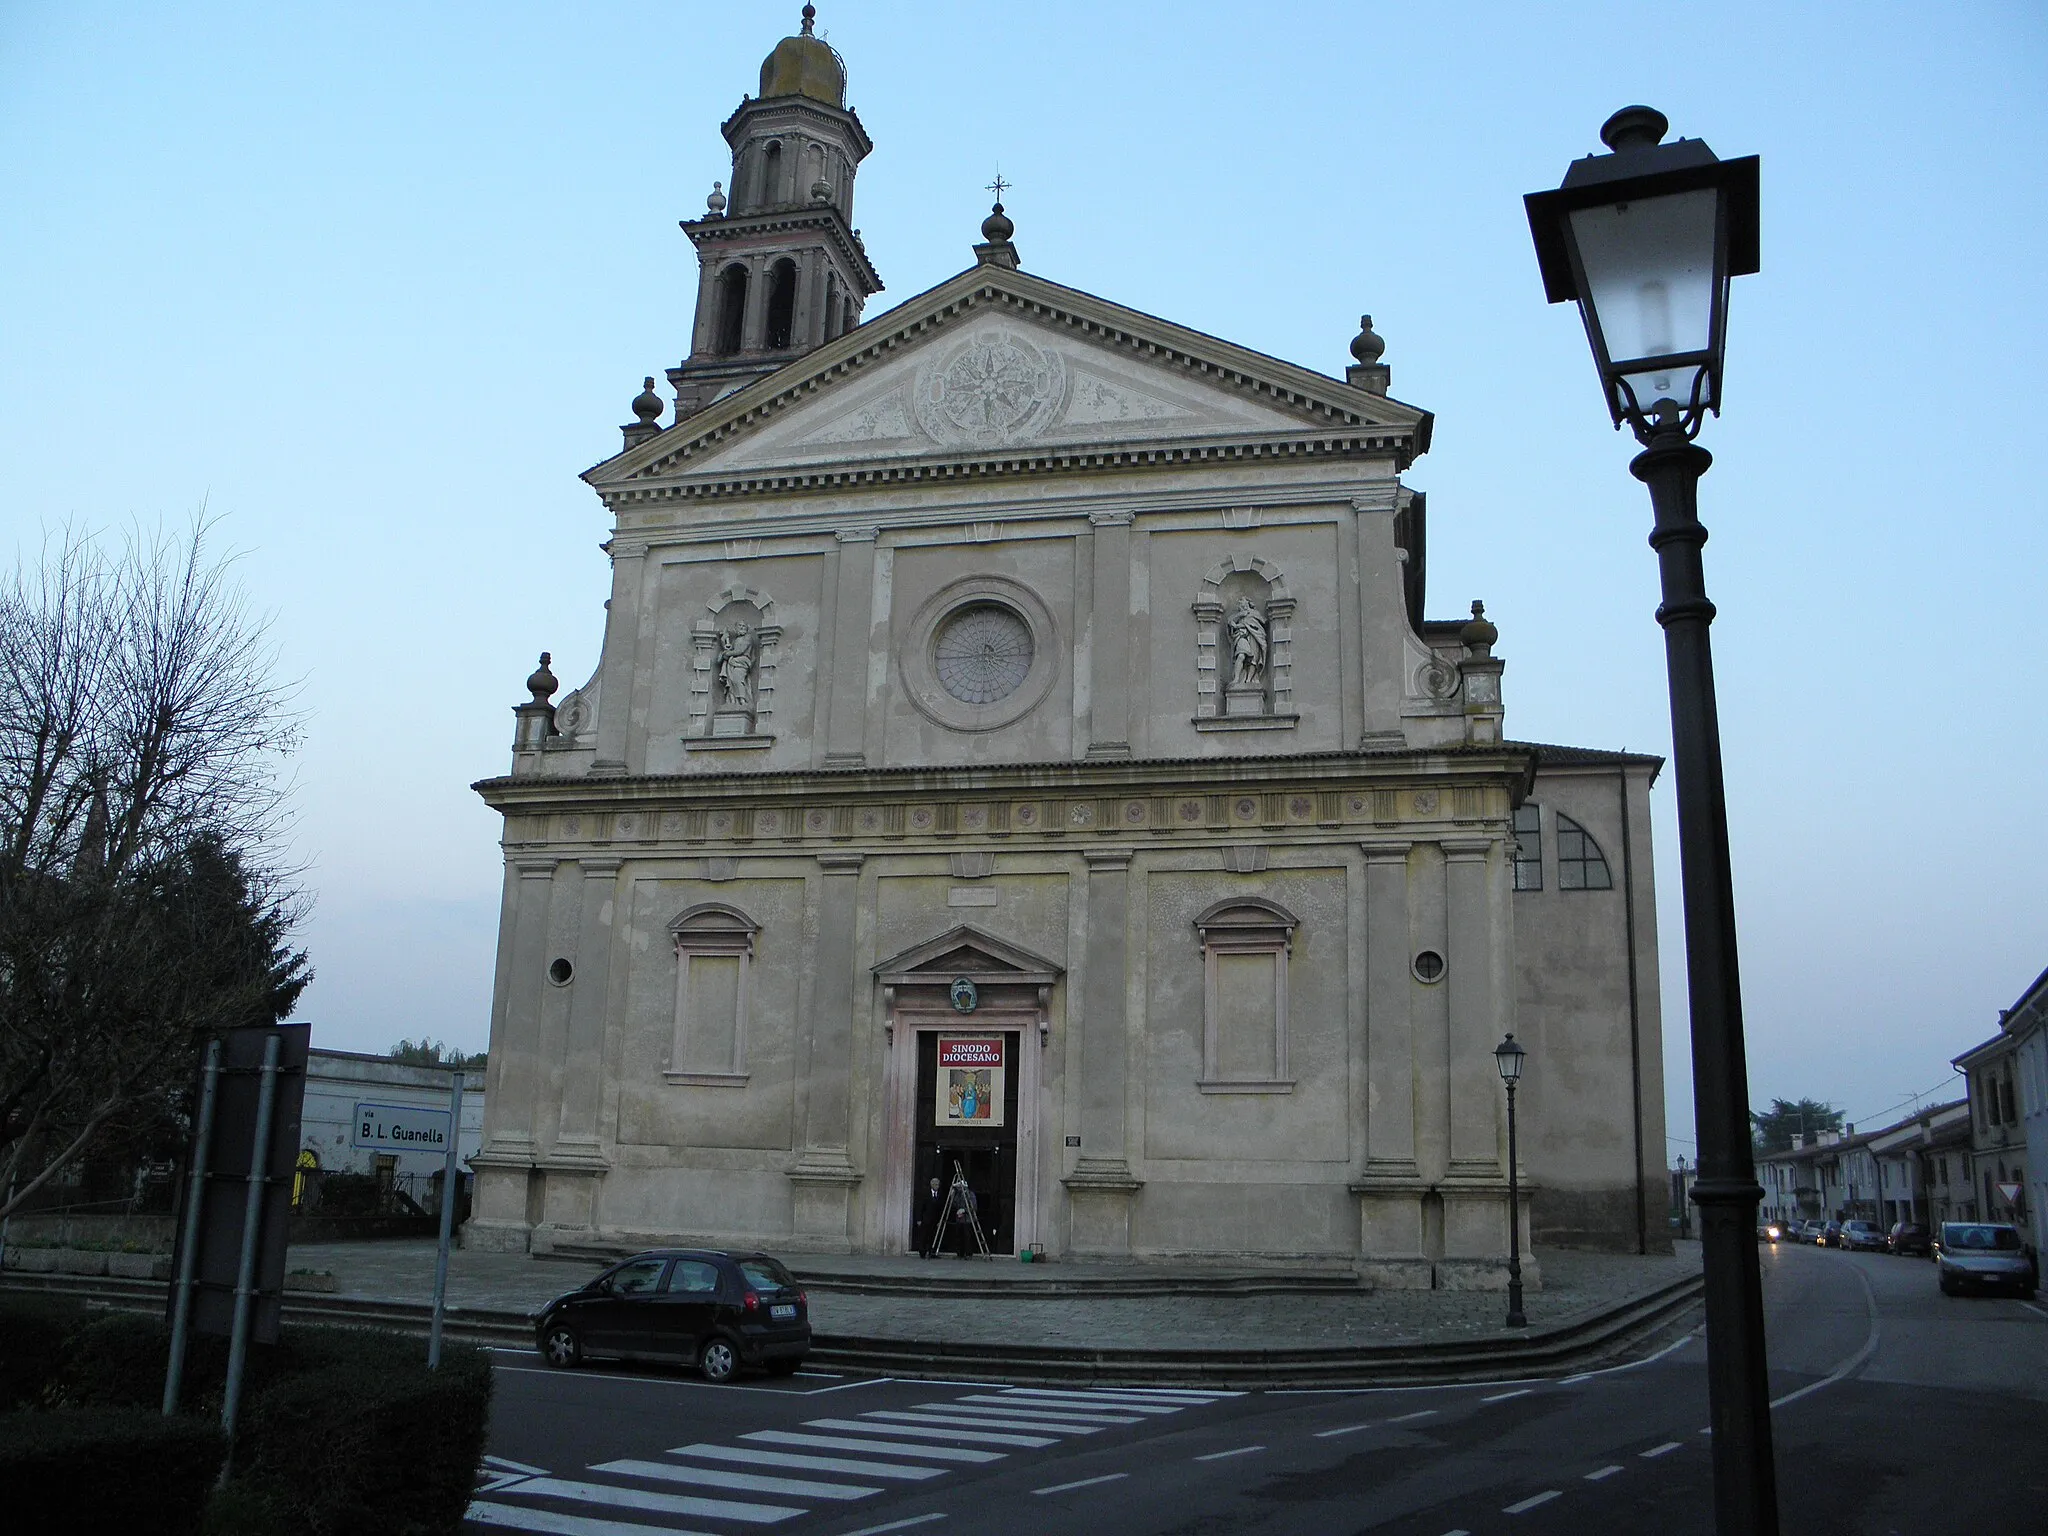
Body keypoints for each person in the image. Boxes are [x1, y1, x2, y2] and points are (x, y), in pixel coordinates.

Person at [914, 1174, 945, 1258]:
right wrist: (919, 1219)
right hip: (925, 1219)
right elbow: (920, 1207)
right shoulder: (925, 1193)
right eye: (935, 1184)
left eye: (938, 1184)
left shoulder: (940, 1194)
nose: (937, 1186)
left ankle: (931, 1252)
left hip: (935, 1219)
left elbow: (941, 1207)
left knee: (933, 1236)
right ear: (931, 1185)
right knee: (924, 1235)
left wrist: (940, 1220)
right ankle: (922, 1252)